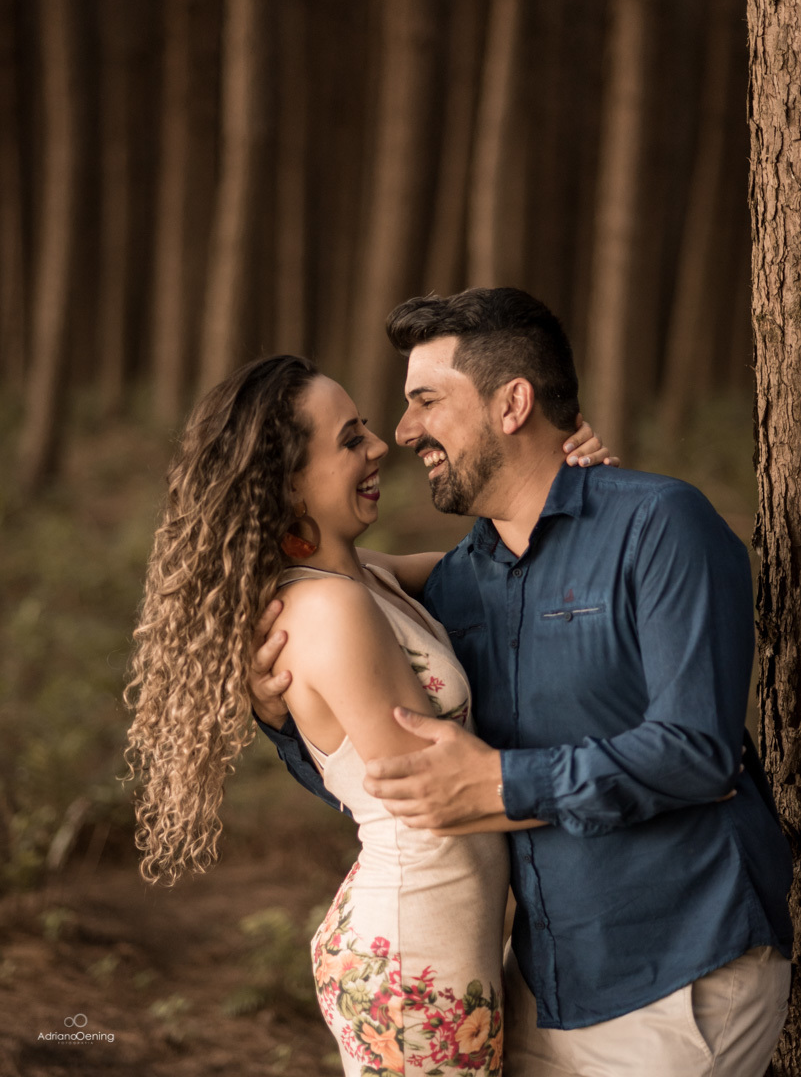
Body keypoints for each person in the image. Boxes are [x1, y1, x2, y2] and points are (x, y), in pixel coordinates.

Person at [252, 288, 793, 1077]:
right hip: (532, 982)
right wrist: (277, 705)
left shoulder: (657, 525)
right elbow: (393, 773)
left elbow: (696, 751)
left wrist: (500, 781)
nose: (402, 434)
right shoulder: (457, 584)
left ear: (512, 404)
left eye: (425, 401)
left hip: (679, 968)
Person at [123, 351, 612, 1077]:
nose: (380, 443)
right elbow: (438, 799)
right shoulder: (328, 610)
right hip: (415, 946)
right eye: (351, 438)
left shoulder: (362, 576)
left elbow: (504, 566)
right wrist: (645, 780)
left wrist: (571, 479)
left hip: (432, 932)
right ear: (286, 481)